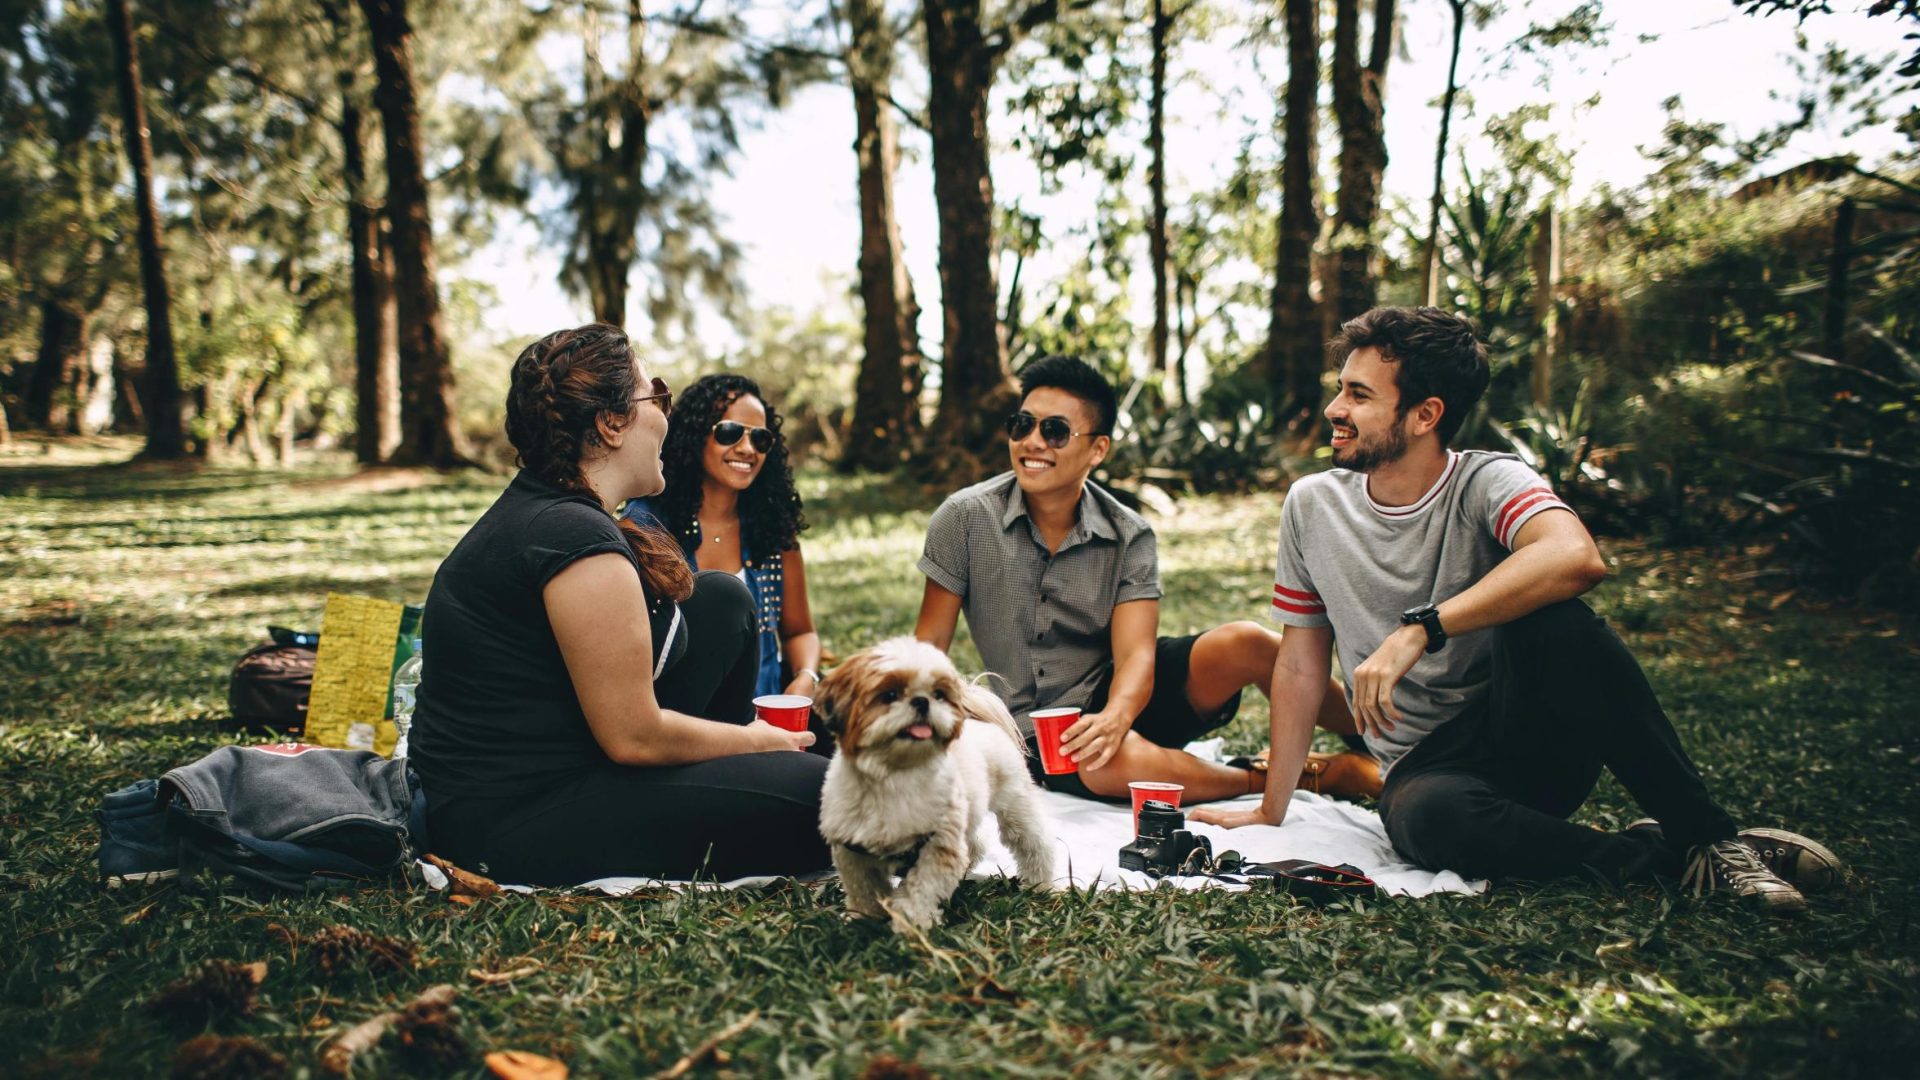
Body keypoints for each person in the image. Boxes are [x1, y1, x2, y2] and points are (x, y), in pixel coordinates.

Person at [1192, 306, 1842, 914]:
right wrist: (1272, 808)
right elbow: (1300, 666)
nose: (1335, 408)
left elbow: (1575, 556)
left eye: (1359, 395)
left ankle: (1709, 836)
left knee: (1557, 620)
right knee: (1430, 822)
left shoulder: (1487, 481)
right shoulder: (1312, 505)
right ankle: (1669, 857)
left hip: (1529, 735)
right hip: (1427, 772)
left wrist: (1422, 628)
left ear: (1425, 415)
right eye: (1341, 389)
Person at [408, 324, 830, 886]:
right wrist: (759, 741)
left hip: (570, 761)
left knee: (722, 600)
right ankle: (747, 779)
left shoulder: (555, 512)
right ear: (611, 423)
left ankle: (736, 778)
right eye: (657, 397)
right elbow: (634, 737)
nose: (666, 418)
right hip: (514, 818)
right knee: (830, 796)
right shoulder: (572, 538)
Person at [913, 354, 1375, 804]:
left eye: (1054, 431)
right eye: (1022, 425)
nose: (1032, 442)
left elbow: (1136, 654)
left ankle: (1381, 739)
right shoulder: (964, 519)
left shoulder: (1129, 533)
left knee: (1247, 643)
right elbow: (929, 645)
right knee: (1105, 763)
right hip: (1040, 730)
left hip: (1125, 693)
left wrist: (1116, 716)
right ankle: (1302, 776)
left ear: (1098, 449)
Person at [624, 374, 822, 703]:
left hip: (766, 714)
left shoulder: (772, 527)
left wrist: (805, 678)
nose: (747, 448)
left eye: (760, 438)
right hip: (682, 717)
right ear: (694, 435)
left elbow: (800, 631)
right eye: (729, 432)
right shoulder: (647, 525)